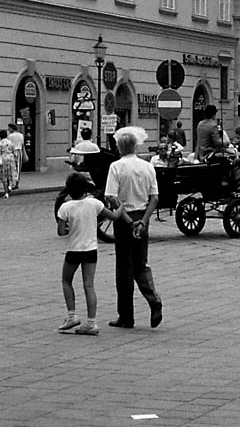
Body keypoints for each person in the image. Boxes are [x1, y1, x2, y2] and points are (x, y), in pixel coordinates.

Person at [104, 130, 163, 329]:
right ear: (136, 147)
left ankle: (126, 316)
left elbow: (112, 197)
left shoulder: (116, 167)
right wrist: (143, 221)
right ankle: (154, 299)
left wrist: (130, 222)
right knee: (141, 264)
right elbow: (155, 197)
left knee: (124, 269)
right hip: (142, 216)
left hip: (124, 219)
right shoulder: (148, 167)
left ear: (120, 147)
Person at [56, 172, 124, 335]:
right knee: (89, 285)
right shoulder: (94, 204)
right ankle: (91, 322)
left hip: (74, 249)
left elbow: (61, 232)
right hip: (91, 250)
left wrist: (70, 227)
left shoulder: (65, 208)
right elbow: (114, 216)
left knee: (66, 280)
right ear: (85, 188)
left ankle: (72, 315)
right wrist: (121, 206)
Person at [0, 130, 17, 199]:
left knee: (3, 175)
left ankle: (6, 192)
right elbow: (14, 151)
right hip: (10, 157)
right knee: (11, 172)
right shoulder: (10, 142)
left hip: (3, 158)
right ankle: (10, 185)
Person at [7, 123, 25, 189]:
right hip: (19, 151)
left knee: (12, 167)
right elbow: (22, 145)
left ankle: (12, 183)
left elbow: (9, 145)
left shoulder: (10, 136)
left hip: (12, 152)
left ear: (12, 128)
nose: (8, 129)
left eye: (9, 128)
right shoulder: (21, 135)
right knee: (18, 168)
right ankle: (17, 183)